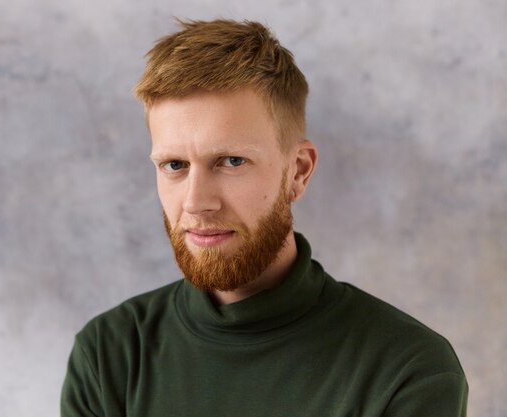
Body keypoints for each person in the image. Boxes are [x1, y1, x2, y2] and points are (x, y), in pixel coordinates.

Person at [61, 19, 468, 417]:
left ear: (298, 171)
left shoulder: (408, 370)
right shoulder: (108, 356)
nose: (196, 203)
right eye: (174, 165)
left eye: (231, 161)